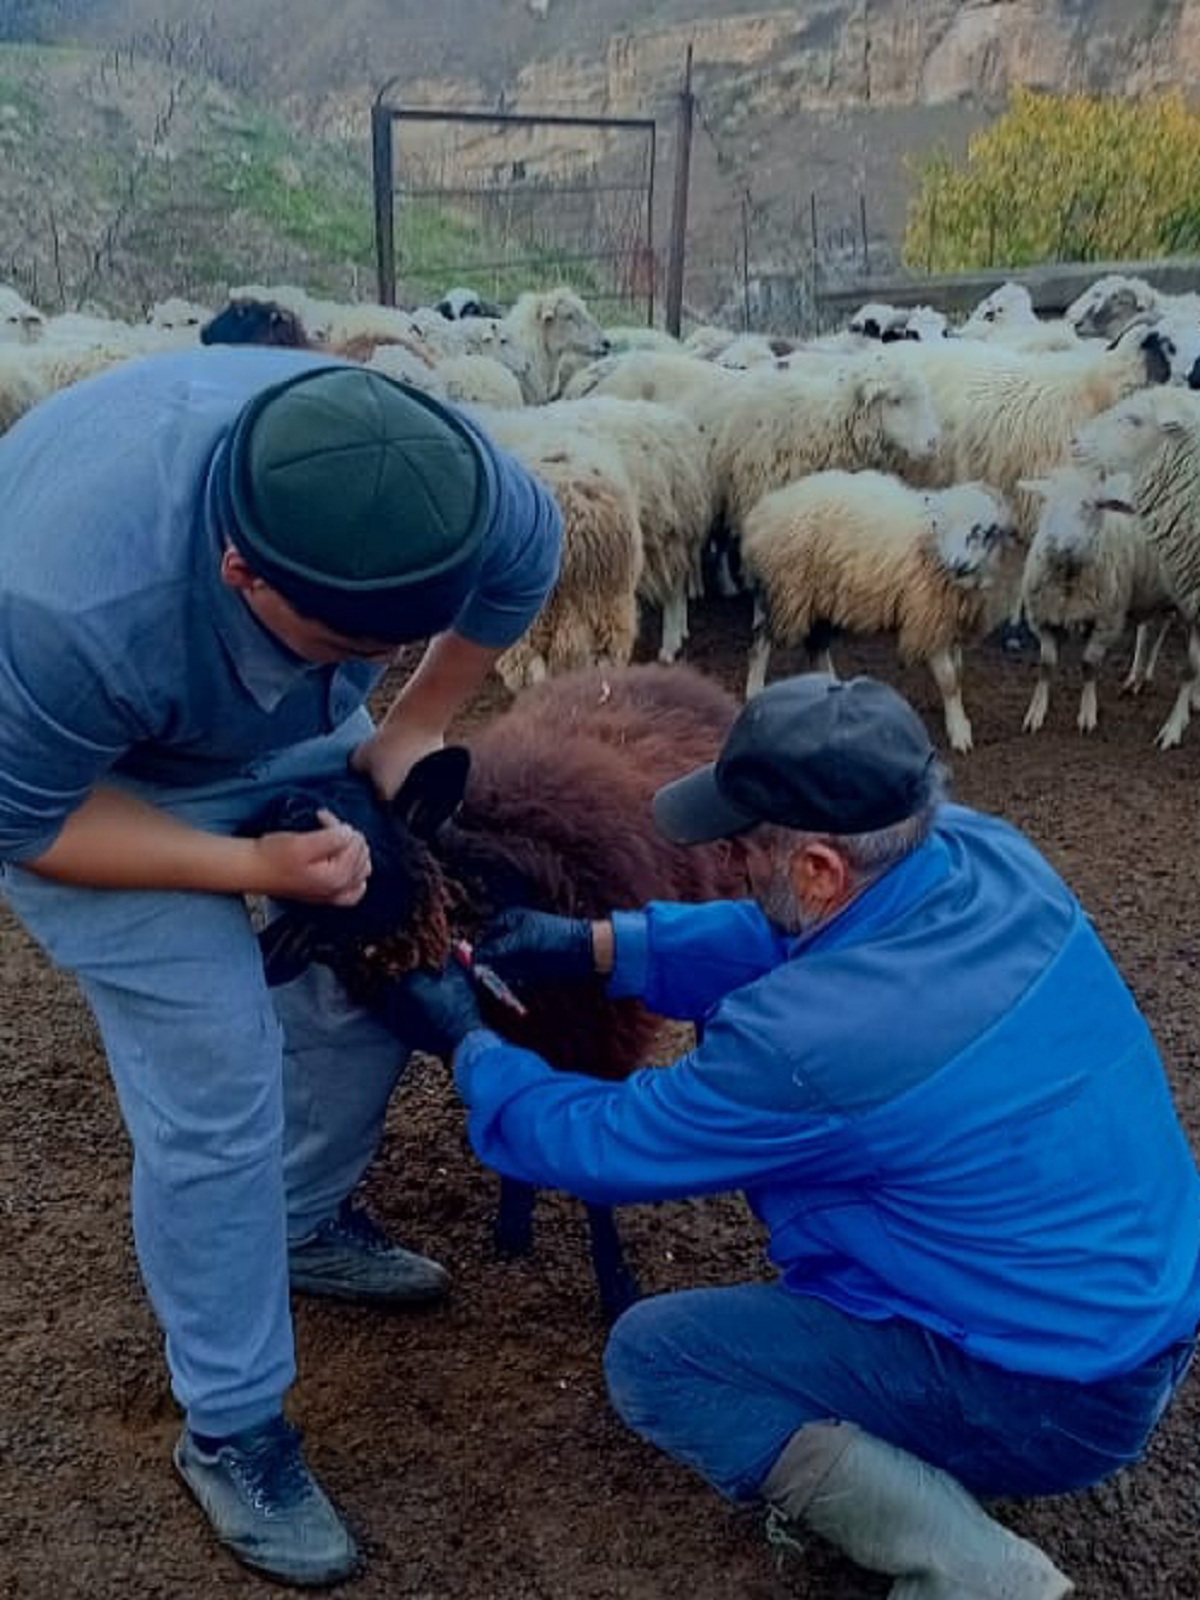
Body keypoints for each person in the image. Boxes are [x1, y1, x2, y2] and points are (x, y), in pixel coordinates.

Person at [376, 672, 1200, 1600]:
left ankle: (969, 1566)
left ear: (816, 868)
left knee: (661, 1358)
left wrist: (469, 1045)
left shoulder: (808, 1046)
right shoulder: (985, 856)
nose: (726, 863)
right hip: (1138, 1319)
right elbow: (795, 934)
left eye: (739, 849)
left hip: (1050, 1400)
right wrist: (601, 947)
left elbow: (599, 1144)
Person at [0, 345, 562, 1586]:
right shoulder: (57, 604)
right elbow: (31, 825)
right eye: (341, 639)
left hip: (268, 728)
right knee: (213, 1075)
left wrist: (407, 725)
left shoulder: (458, 487)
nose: (356, 658)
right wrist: (251, 868)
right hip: (97, 781)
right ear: (241, 569)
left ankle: (299, 1222)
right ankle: (232, 1424)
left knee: (379, 956)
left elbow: (527, 563)